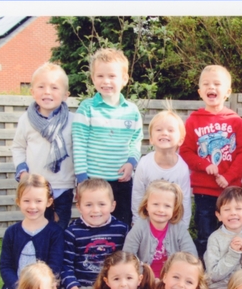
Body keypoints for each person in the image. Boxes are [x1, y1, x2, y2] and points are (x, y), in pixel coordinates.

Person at [179, 65, 242, 256]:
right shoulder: (193, 120)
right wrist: (204, 165)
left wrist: (228, 177)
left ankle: (232, 267)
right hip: (204, 192)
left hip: (230, 190)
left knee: (232, 233)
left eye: (217, 84)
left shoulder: (235, 121)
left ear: (228, 92)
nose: (211, 87)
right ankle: (205, 270)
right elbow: (185, 151)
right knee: (205, 234)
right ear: (200, 92)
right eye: (206, 84)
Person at [58, 178, 128, 289]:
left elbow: (125, 264)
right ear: (79, 206)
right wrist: (73, 288)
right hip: (79, 287)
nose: (95, 210)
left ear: (112, 205)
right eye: (88, 205)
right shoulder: (72, 232)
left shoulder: (121, 230)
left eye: (101, 204)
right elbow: (66, 265)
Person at [72, 48, 142, 227]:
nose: (106, 81)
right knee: (93, 223)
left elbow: (136, 140)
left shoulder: (132, 111)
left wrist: (131, 162)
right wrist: (82, 178)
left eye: (112, 76)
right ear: (93, 78)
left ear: (124, 79)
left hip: (121, 181)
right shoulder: (87, 108)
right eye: (100, 76)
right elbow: (79, 144)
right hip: (93, 181)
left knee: (122, 225)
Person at [12, 62, 75, 229]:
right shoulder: (26, 120)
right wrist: (22, 172)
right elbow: (18, 147)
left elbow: (79, 151)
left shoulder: (73, 121)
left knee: (59, 229)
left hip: (63, 186)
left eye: (54, 88)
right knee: (37, 228)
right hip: (36, 187)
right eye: (41, 87)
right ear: (32, 92)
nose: (47, 91)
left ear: (65, 95)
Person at [0, 174, 63, 289]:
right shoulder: (12, 232)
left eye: (38, 201)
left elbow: (55, 266)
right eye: (26, 201)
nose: (32, 206)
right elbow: (5, 266)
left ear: (48, 202)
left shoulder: (55, 233)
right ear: (18, 201)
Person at [132, 109, 192, 231]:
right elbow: (138, 195)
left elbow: (185, 200)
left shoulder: (182, 168)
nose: (164, 133)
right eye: (159, 130)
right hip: (147, 223)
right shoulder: (144, 163)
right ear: (151, 138)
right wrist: (137, 223)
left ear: (181, 140)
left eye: (170, 130)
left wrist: (183, 229)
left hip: (172, 224)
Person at [124, 180, 197, 276]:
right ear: (146, 205)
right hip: (144, 278)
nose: (161, 210)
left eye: (167, 206)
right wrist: (145, 276)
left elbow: (191, 257)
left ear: (174, 208)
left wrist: (175, 275)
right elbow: (128, 257)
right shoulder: (139, 227)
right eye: (155, 204)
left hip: (173, 279)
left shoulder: (179, 228)